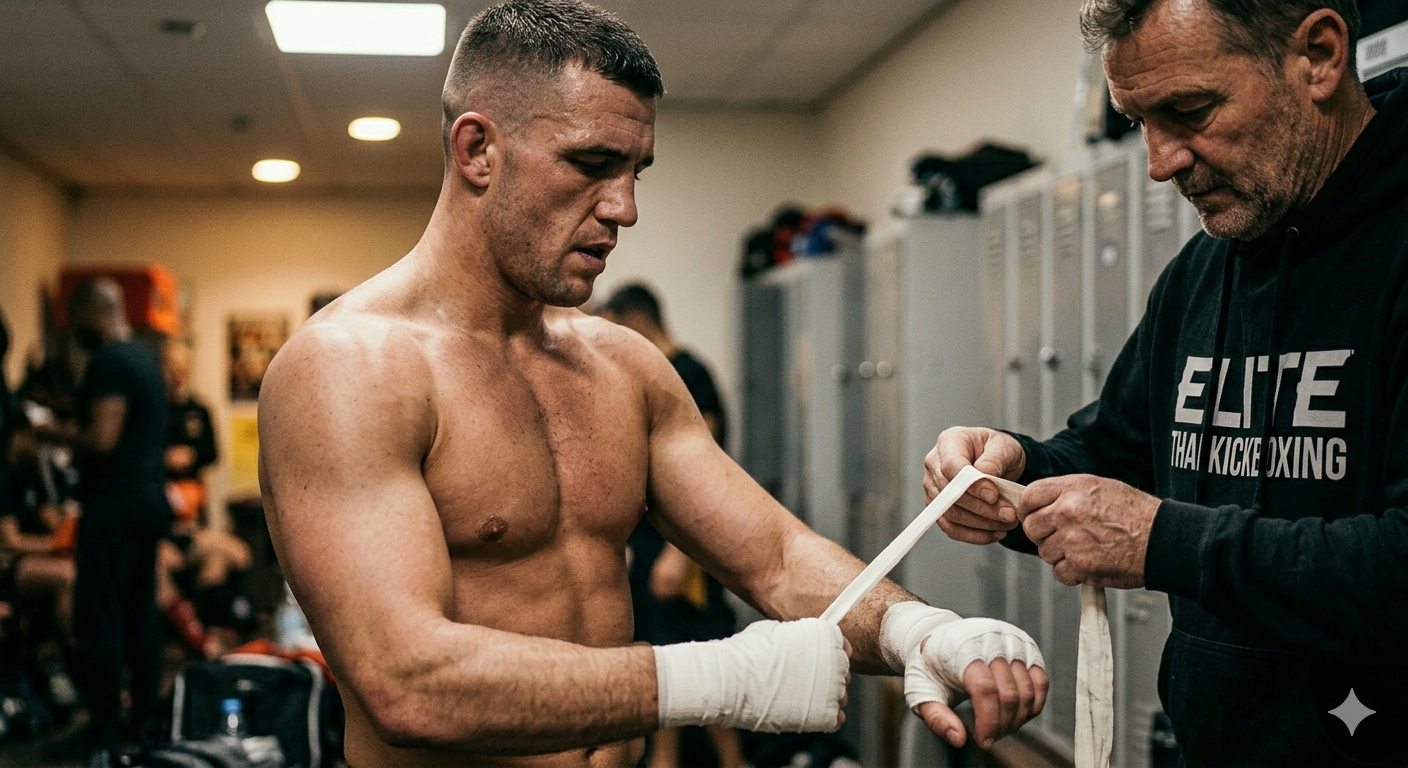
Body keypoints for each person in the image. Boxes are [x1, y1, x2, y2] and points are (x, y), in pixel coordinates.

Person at [258, 2, 1048, 766]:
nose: (625, 207)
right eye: (592, 165)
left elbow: (774, 556)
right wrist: (718, 679)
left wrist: (923, 632)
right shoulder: (349, 370)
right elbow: (405, 682)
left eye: (637, 171)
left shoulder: (622, 367)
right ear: (477, 150)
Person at [924, 0, 1408, 765]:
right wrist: (1010, 473)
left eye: (1188, 111)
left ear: (1318, 55)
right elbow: (1117, 454)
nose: (1159, 163)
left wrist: (1165, 542)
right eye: (1137, 120)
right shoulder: (1202, 272)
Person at [601, 283, 743, 768]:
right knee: (665, 663)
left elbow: (707, 470)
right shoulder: (645, 371)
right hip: (649, 541)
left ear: (636, 319)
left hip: (682, 548)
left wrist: (677, 555)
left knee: (703, 664)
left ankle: (729, 761)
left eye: (616, 322)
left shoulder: (688, 372)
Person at [61, 277, 171, 763]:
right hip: (148, 500)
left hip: (115, 505)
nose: (72, 328)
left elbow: (103, 439)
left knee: (101, 617)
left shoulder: (107, 362)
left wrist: (53, 435)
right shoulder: (146, 359)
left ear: (91, 309)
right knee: (141, 611)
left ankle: (105, 729)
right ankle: (143, 720)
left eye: (74, 316)